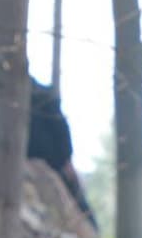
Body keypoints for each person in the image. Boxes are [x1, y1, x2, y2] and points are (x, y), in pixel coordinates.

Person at [26, 78, 97, 229]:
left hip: (53, 162)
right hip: (47, 160)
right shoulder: (42, 95)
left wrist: (66, 159)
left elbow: (61, 129)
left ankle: (91, 230)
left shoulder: (43, 96)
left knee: (75, 201)